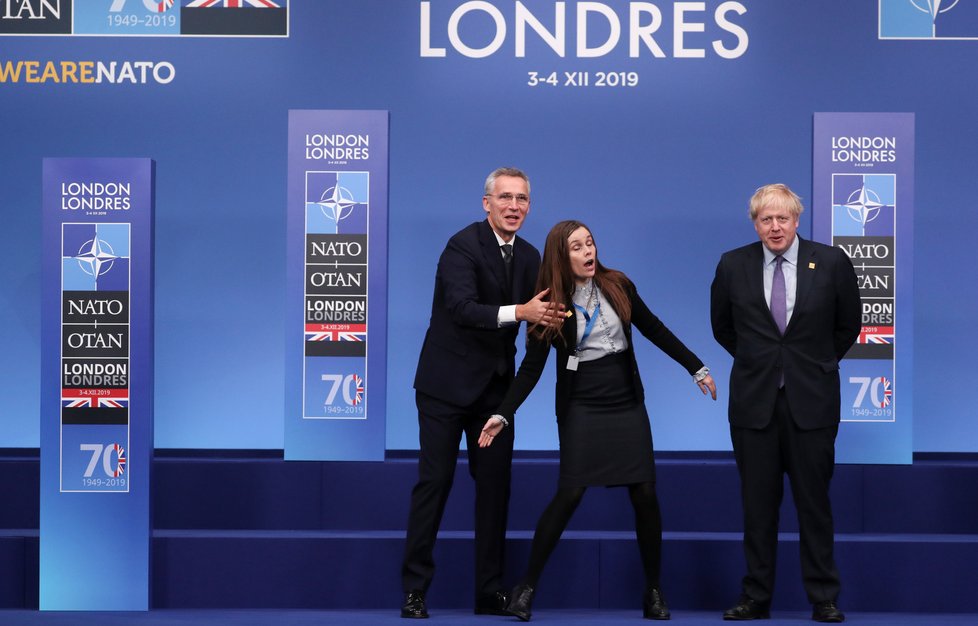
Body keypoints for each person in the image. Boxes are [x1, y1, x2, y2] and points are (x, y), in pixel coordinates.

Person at [479, 219, 717, 622]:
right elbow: (531, 369)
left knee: (644, 492)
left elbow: (655, 329)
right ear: (561, 255)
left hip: (625, 399)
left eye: (590, 243)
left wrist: (696, 368)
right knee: (570, 493)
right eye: (577, 247)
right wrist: (504, 412)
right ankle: (525, 588)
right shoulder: (548, 304)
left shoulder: (618, 284)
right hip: (582, 403)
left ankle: (654, 591)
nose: (588, 252)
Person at [401, 167, 564, 619]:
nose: (515, 206)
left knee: (495, 489)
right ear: (486, 203)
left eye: (523, 199)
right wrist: (523, 311)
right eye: (506, 197)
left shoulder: (530, 256)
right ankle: (415, 589)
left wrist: (552, 319)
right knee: (435, 483)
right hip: (444, 387)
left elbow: (544, 314)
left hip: (494, 392)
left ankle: (489, 591)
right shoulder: (462, 246)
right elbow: (462, 308)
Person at [710, 184, 860, 623]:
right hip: (754, 405)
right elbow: (723, 327)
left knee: (814, 504)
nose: (774, 227)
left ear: (797, 220)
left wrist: (811, 363)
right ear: (754, 223)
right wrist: (761, 361)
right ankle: (756, 596)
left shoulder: (831, 261)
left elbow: (848, 324)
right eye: (765, 220)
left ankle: (824, 597)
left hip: (812, 403)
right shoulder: (732, 264)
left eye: (782, 219)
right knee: (757, 507)